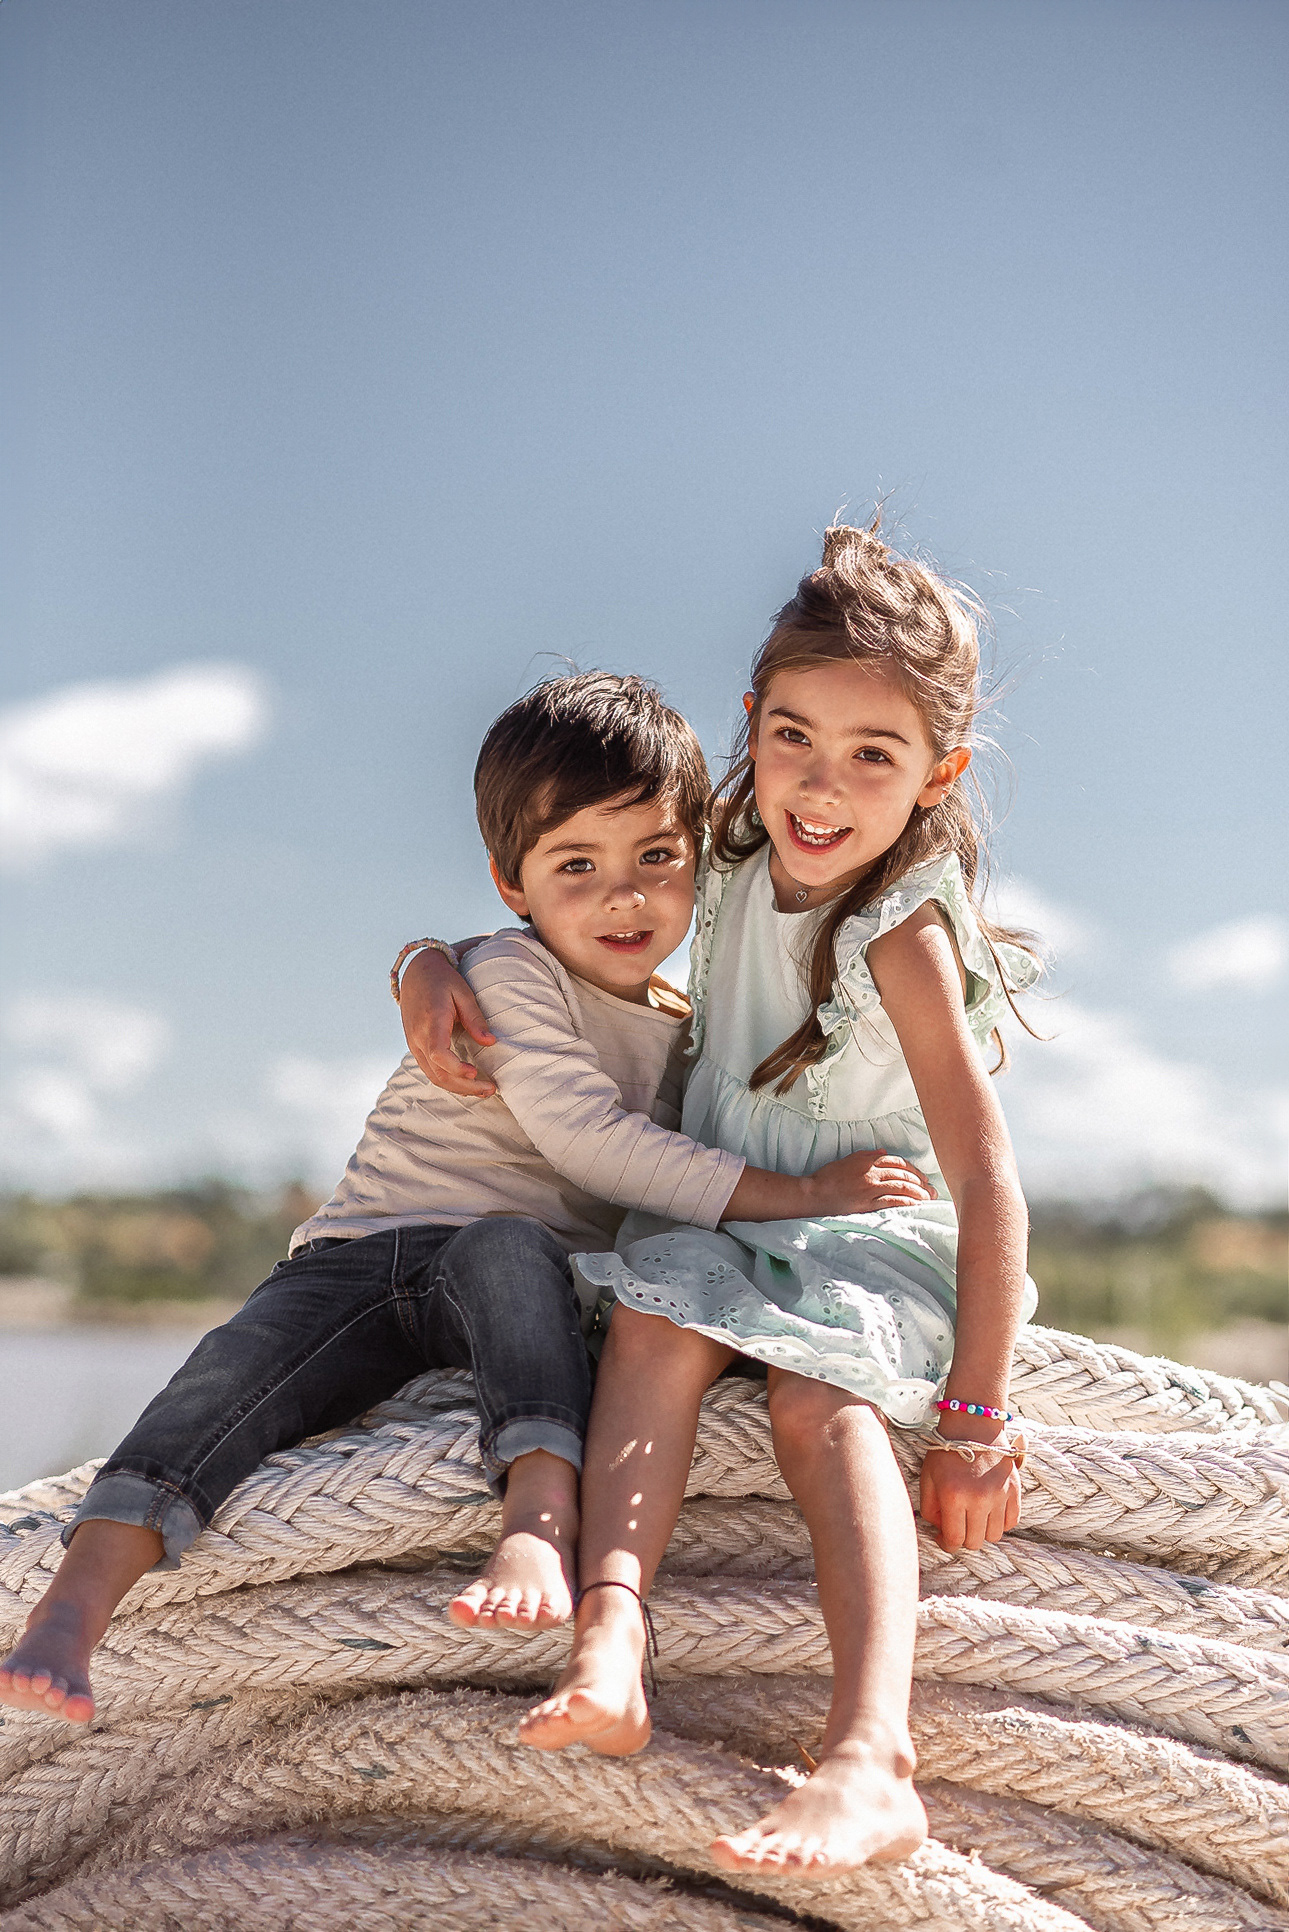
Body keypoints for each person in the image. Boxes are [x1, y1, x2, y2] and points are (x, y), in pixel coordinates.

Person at [0, 670, 932, 1727]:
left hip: (504, 1278)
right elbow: (590, 1139)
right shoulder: (509, 971)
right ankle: (72, 1613)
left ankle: (534, 1521)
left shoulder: (689, 1029)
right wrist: (794, 1194)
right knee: (229, 1375)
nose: (622, 895)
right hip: (359, 1255)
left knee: (511, 1251)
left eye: (656, 859)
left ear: (699, 863)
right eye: (575, 864)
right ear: (511, 884)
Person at [403, 522, 1042, 1877]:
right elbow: (577, 871)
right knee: (651, 1318)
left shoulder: (904, 933)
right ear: (751, 723)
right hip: (734, 1214)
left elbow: (987, 1179)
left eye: (874, 758)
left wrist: (978, 1413)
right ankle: (613, 1638)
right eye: (794, 737)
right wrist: (428, 958)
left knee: (818, 1403)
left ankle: (873, 1755)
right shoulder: (734, 833)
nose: (822, 787)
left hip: (867, 1231)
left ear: (941, 774)